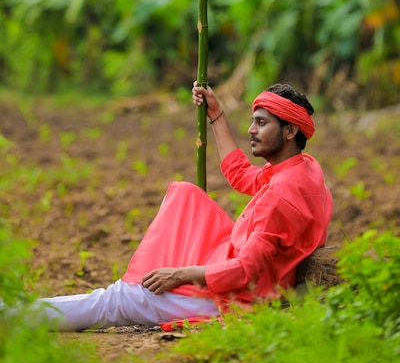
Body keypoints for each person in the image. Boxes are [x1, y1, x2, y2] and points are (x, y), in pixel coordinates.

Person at [30, 82, 333, 331]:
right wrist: (217, 117)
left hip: (235, 296)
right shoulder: (304, 170)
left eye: (262, 123)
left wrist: (180, 274)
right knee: (187, 194)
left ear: (291, 131)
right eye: (253, 121)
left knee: (116, 302)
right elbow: (241, 175)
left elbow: (246, 271)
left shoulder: (281, 195)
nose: (252, 130)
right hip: (255, 278)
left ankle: (13, 319)